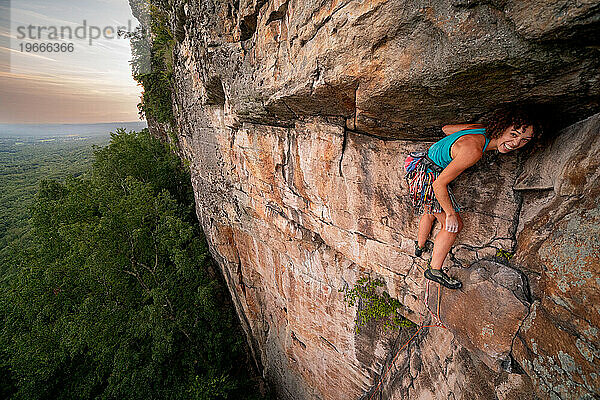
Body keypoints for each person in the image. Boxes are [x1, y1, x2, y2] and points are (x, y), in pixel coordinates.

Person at [404, 106, 542, 289]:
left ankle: (420, 246)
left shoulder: (481, 129)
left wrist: (451, 149)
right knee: (452, 225)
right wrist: (451, 213)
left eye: (524, 140)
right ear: (502, 128)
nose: (516, 143)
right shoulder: (474, 151)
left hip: (419, 163)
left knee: (431, 211)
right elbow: (439, 185)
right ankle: (434, 270)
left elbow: (446, 129)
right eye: (513, 134)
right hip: (428, 177)